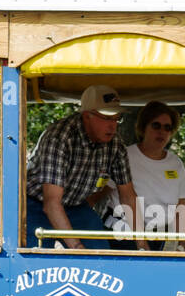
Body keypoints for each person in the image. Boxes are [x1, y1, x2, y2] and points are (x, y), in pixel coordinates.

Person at [25, 85, 142, 250]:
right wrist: (77, 246)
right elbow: (51, 204)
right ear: (87, 116)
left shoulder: (115, 144)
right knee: (32, 259)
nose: (113, 126)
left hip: (76, 206)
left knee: (101, 257)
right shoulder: (60, 137)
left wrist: (143, 244)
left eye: (117, 118)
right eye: (107, 118)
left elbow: (128, 196)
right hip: (35, 205)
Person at [104, 101, 185, 251]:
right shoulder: (124, 156)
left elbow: (181, 207)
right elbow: (100, 192)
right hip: (123, 234)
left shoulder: (176, 163)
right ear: (143, 127)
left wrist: (181, 244)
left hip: (162, 238)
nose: (162, 131)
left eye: (167, 128)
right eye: (156, 125)